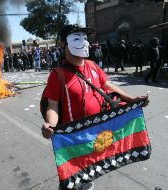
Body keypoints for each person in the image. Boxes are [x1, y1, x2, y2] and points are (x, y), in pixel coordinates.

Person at [41, 24, 149, 190]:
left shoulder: (93, 66)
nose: (84, 42)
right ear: (64, 44)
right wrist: (51, 125)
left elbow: (107, 86)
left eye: (85, 38)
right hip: (75, 139)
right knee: (72, 179)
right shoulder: (58, 75)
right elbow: (53, 106)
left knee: (90, 173)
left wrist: (131, 99)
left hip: (97, 133)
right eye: (77, 38)